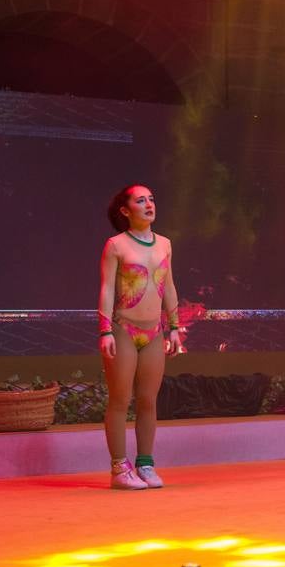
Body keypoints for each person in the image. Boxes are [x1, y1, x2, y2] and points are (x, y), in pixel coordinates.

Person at [99, 183, 185, 490]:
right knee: (121, 399)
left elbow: (169, 286)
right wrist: (105, 329)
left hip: (153, 332)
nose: (149, 205)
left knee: (148, 400)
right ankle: (119, 468)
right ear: (126, 210)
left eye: (151, 199)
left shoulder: (164, 244)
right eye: (140, 200)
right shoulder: (116, 245)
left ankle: (145, 464)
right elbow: (108, 288)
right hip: (124, 328)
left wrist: (174, 326)